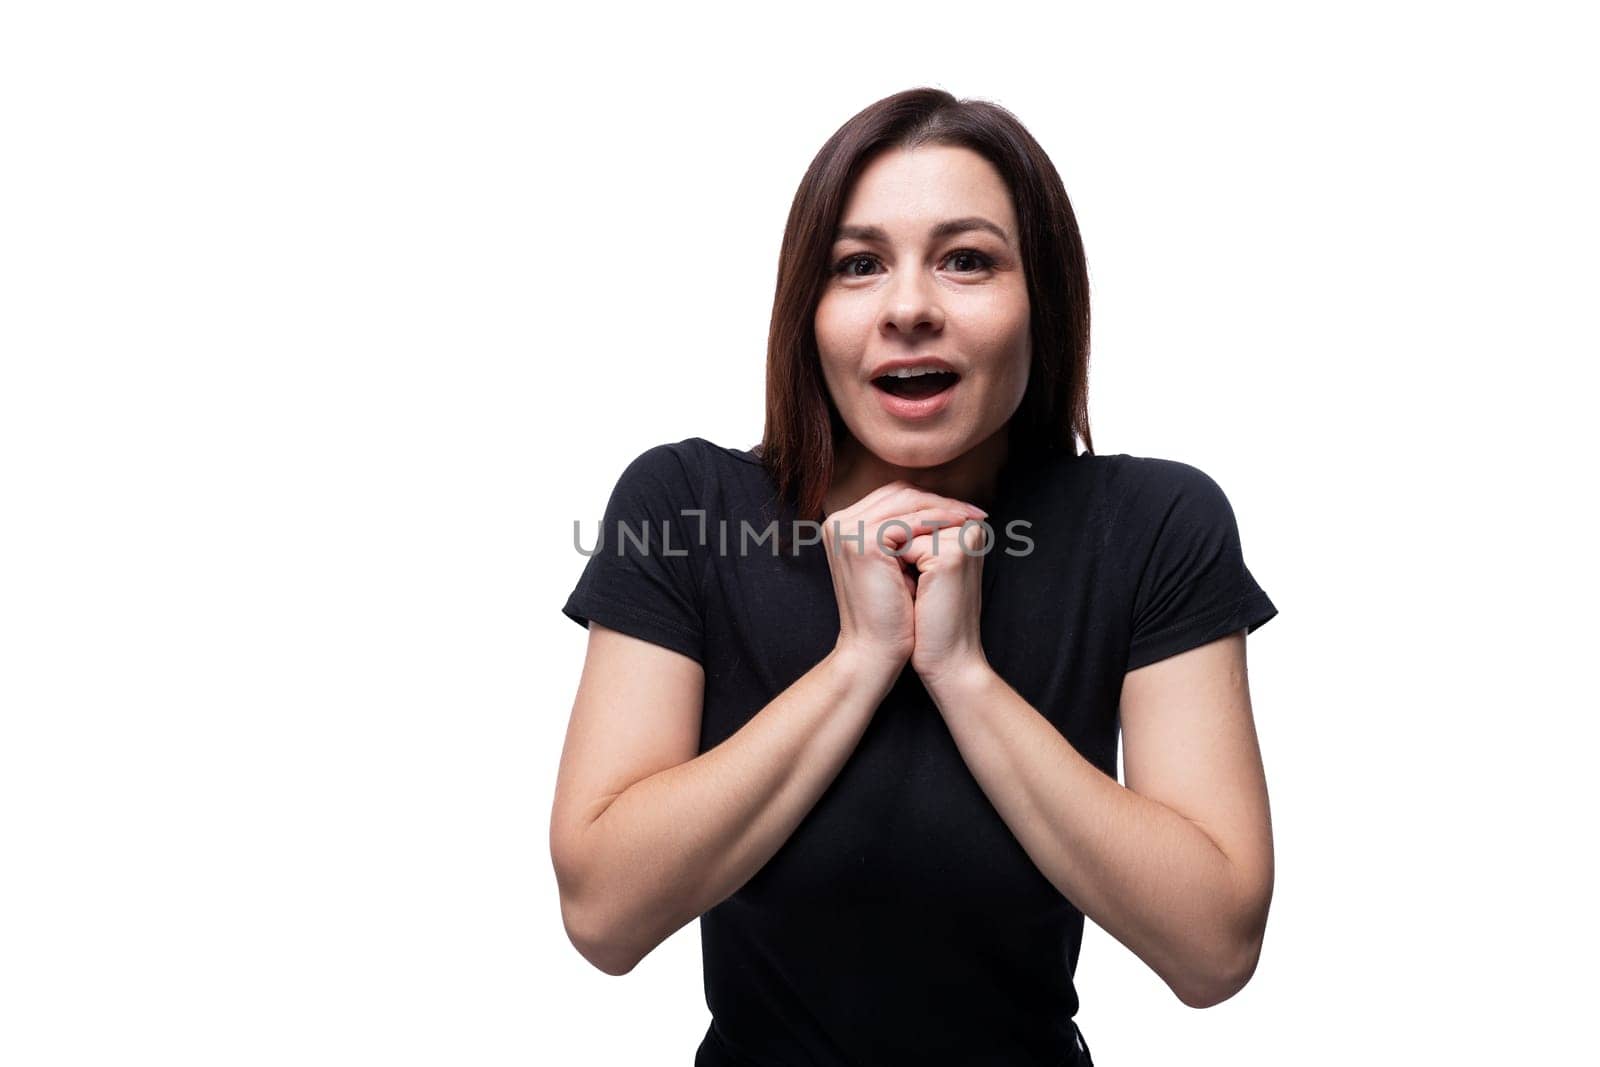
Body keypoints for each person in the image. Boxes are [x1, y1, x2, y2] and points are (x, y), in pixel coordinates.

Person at [551, 86, 1279, 1066]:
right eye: (858, 265)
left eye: (966, 259)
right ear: (807, 309)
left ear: (1043, 298)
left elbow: (1213, 946)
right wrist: (857, 660)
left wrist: (963, 673)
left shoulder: (1149, 525)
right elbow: (603, 911)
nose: (907, 308)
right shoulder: (684, 505)